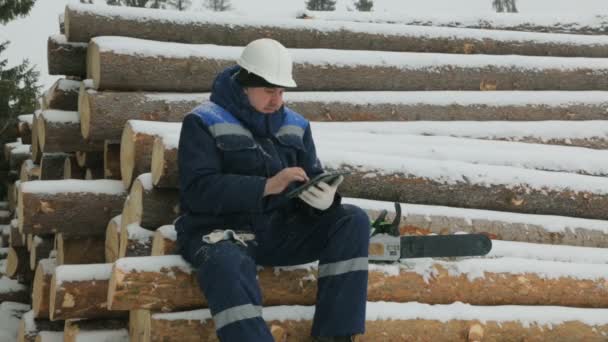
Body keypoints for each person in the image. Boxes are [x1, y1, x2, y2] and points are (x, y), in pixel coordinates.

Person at [175, 38, 370, 342]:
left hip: (278, 230)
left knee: (352, 220)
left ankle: (335, 336)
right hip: (220, 232)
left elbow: (311, 175)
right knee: (227, 263)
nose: (277, 100)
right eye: (268, 91)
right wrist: (266, 186)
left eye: (281, 91)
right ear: (243, 84)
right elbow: (198, 190)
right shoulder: (202, 121)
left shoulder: (296, 125)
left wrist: (323, 202)